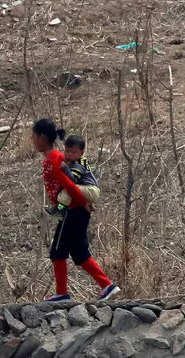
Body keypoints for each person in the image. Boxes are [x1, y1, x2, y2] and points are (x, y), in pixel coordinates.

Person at [31, 118, 120, 302]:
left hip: (72, 210)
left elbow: (70, 185)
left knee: (57, 251)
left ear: (42, 137)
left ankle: (62, 293)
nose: (32, 141)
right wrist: (83, 202)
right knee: (79, 253)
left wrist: (82, 202)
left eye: (33, 136)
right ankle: (107, 285)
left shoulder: (54, 158)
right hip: (76, 208)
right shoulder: (57, 157)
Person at [45, 135, 100, 220]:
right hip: (89, 189)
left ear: (81, 153)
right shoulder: (74, 162)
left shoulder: (79, 164)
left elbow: (73, 180)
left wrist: (66, 169)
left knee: (68, 190)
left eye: (73, 152)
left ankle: (60, 210)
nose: (69, 154)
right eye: (67, 151)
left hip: (91, 189)